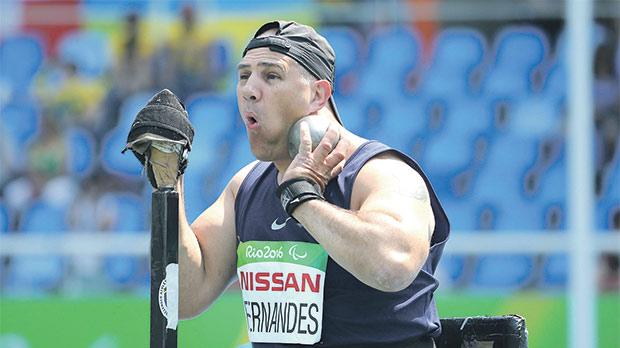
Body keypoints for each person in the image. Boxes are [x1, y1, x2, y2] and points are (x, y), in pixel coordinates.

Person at [178, 20, 449, 347]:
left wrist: (303, 199)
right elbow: (184, 297)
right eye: (244, 75)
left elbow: (394, 265)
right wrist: (168, 183)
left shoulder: (382, 172)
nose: (249, 89)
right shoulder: (245, 186)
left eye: (271, 75)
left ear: (318, 94)